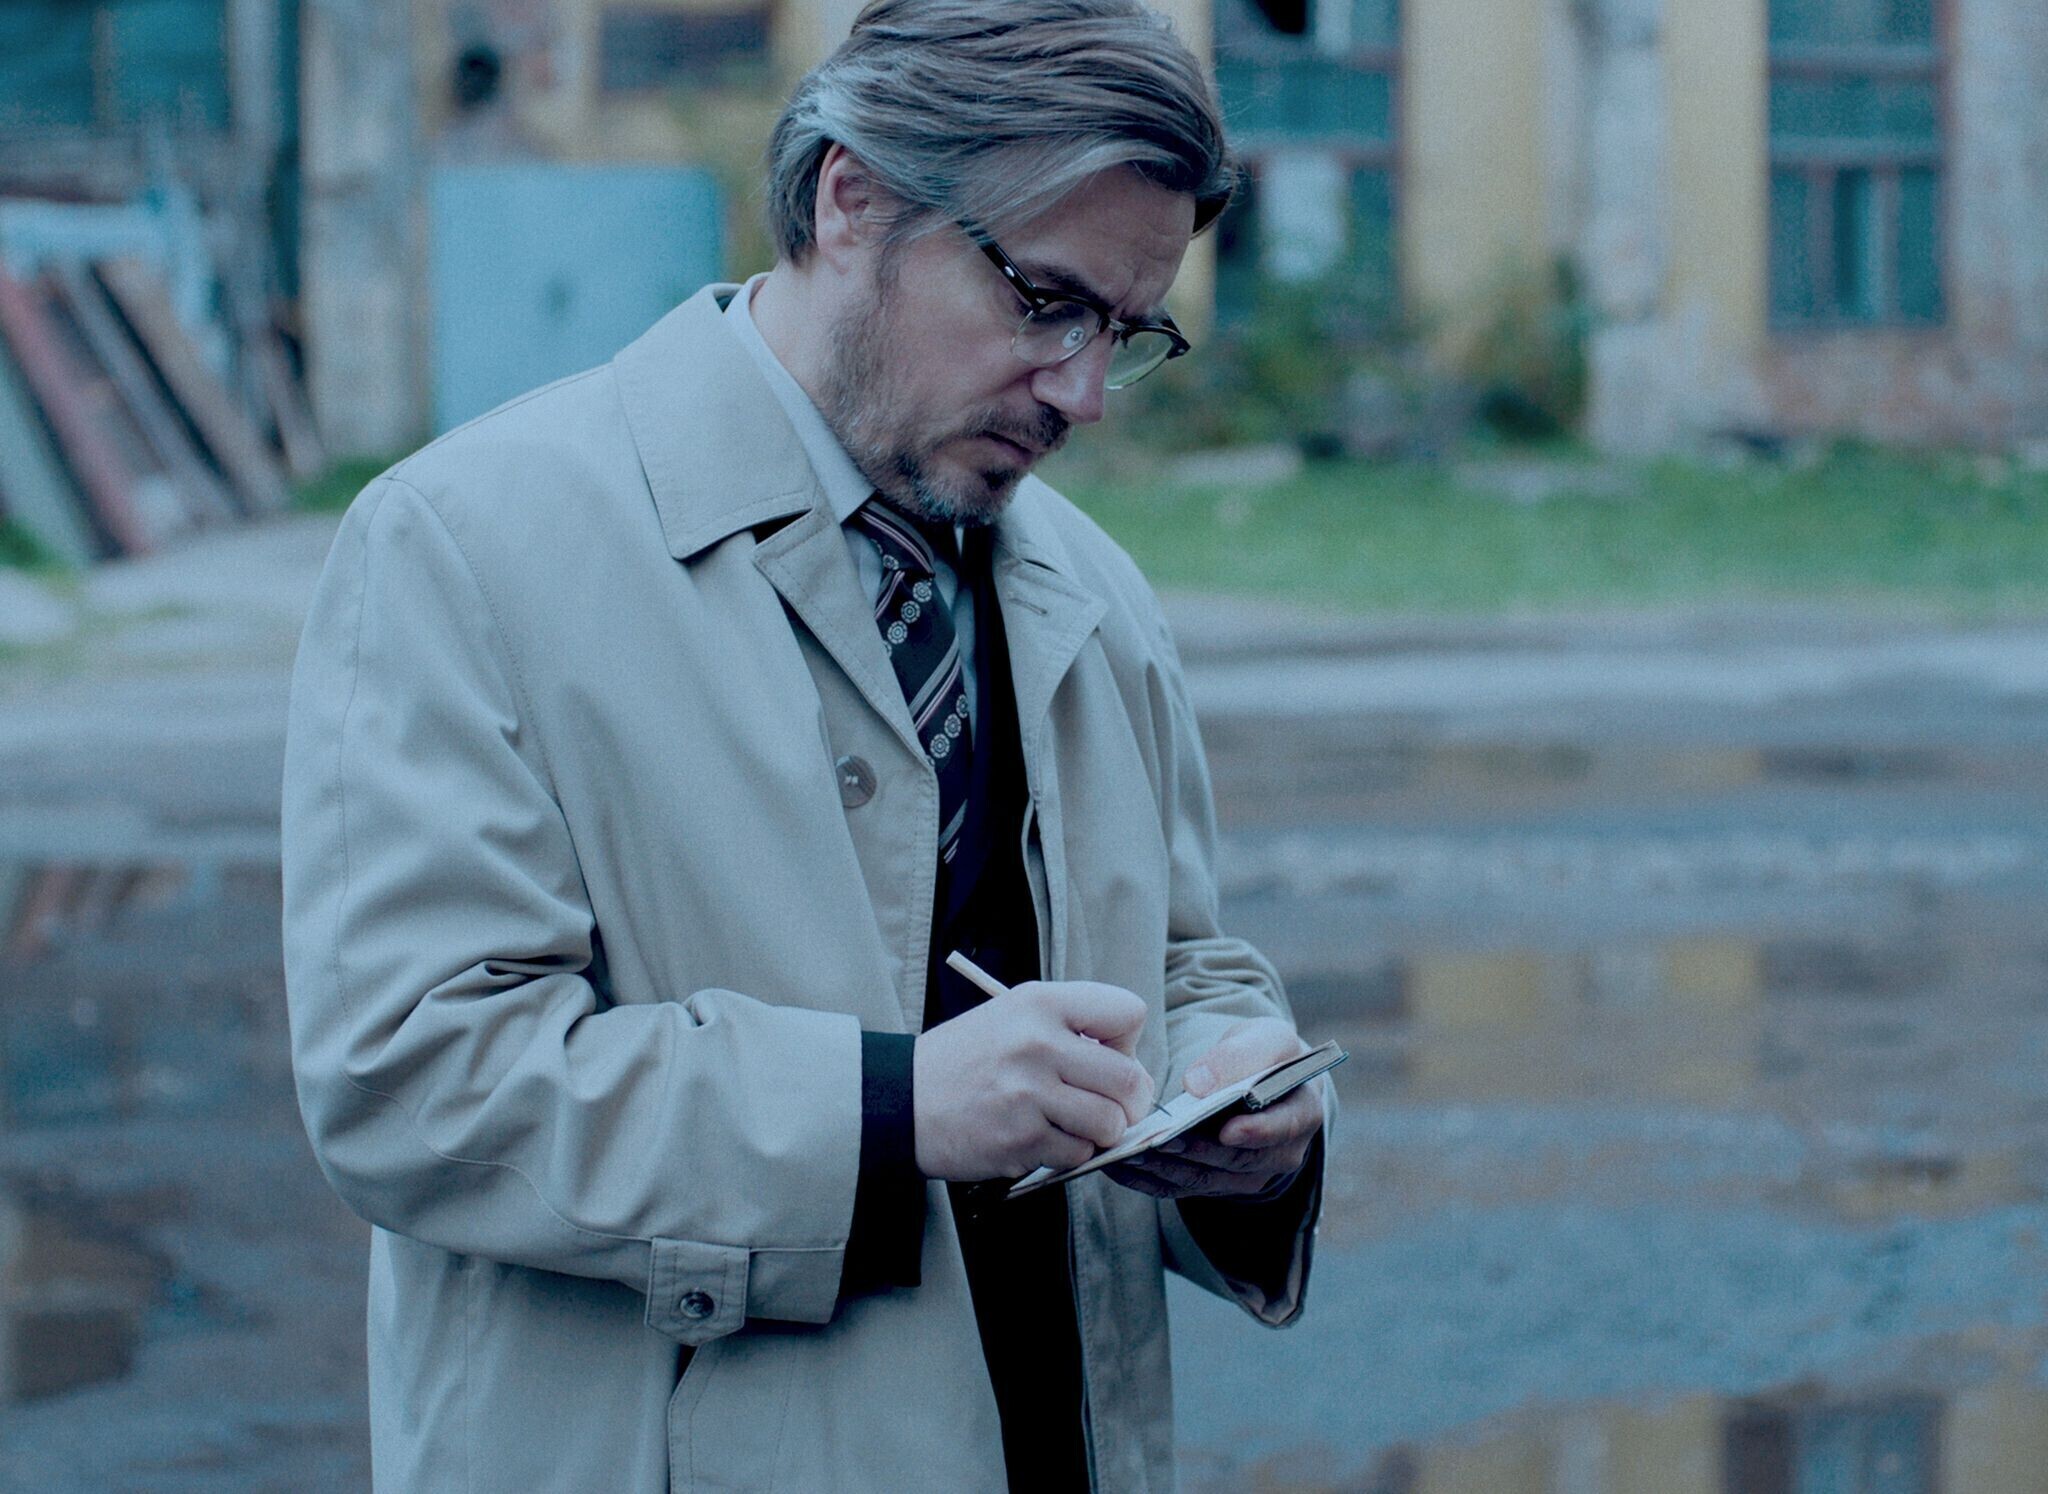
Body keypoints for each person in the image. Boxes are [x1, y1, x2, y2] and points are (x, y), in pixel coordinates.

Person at [281, 2, 1329, 1488]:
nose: (1084, 391)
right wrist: (891, 1110)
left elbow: (1178, 959)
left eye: (1126, 330)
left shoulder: (1093, 591)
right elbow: (412, 1081)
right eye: (1046, 301)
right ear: (854, 200)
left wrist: (1250, 1111)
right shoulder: (465, 546)